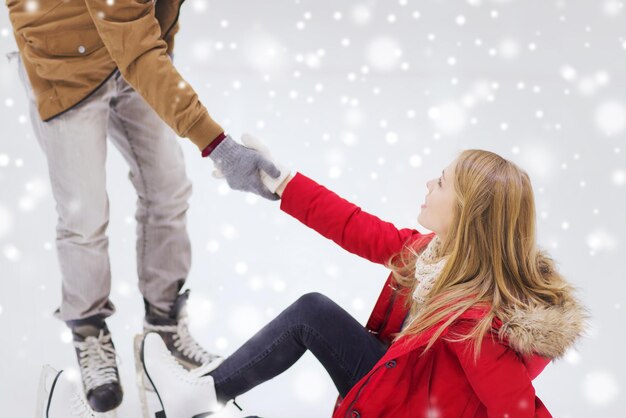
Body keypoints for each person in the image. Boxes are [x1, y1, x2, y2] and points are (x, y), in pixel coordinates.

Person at [142, 147, 587, 417]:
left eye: (443, 182)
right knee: (312, 313)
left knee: (311, 314)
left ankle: (200, 397)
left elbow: (516, 408)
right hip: (396, 390)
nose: (429, 182)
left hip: (404, 410)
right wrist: (283, 185)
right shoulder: (431, 256)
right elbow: (356, 226)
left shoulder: (475, 322)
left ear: (467, 212)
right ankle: (201, 396)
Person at [6, 0, 284, 413]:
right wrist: (218, 145)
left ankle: (163, 328)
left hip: (130, 51)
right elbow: (136, 46)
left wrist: (161, 52)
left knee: (168, 188)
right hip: (63, 59)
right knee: (84, 213)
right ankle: (89, 332)